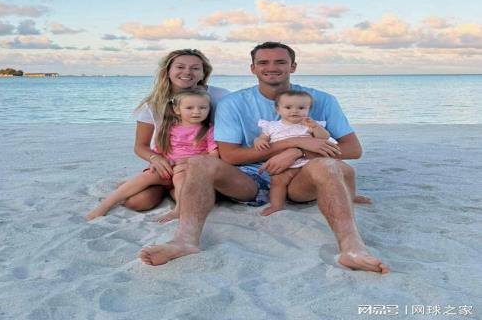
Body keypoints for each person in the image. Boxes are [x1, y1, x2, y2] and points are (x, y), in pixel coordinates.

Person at [140, 42, 389, 274]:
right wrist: (291, 142)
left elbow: (353, 149)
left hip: (299, 178)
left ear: (293, 66)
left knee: (327, 164)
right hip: (250, 178)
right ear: (253, 68)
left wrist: (299, 151)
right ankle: (184, 241)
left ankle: (352, 249)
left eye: (280, 62)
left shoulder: (322, 99)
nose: (272, 67)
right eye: (263, 62)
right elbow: (230, 156)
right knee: (198, 162)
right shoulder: (233, 103)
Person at [91, 49, 229, 215]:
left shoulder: (221, 97)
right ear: (168, 71)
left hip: (194, 165)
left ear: (203, 73)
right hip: (167, 163)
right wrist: (156, 159)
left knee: (191, 195)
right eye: (180, 67)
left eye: (195, 68)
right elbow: (140, 146)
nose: (187, 72)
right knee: (137, 203)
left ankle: (173, 192)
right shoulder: (154, 104)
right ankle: (145, 189)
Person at [86, 89, 218, 221]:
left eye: (202, 108)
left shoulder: (209, 130)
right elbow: (159, 152)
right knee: (147, 176)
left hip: (188, 170)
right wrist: (155, 163)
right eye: (189, 108)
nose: (196, 111)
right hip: (167, 168)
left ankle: (178, 210)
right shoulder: (168, 128)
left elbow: (213, 155)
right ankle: (106, 204)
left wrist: (185, 161)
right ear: (177, 110)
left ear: (209, 109)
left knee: (180, 178)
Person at [253, 89, 370, 216]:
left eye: (301, 108)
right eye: (288, 107)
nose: (294, 111)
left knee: (347, 171)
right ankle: (276, 205)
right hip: (285, 165)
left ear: (308, 109)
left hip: (309, 160)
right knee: (277, 181)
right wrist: (258, 141)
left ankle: (350, 196)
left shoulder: (309, 125)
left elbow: (324, 137)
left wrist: (315, 127)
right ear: (278, 109)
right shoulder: (271, 126)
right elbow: (262, 138)